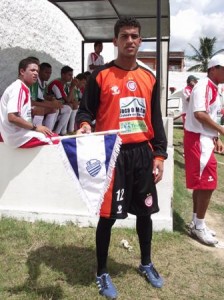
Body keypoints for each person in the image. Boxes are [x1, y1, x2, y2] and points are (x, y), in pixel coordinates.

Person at [76, 17, 168, 299]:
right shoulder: (100, 76)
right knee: (108, 217)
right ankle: (101, 272)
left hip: (141, 152)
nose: (130, 40)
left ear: (140, 41)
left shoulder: (149, 77)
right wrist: (84, 124)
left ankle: (146, 263)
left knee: (146, 213)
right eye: (125, 36)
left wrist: (160, 154)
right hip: (112, 153)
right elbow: (85, 111)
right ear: (115, 41)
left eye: (135, 36)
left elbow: (155, 119)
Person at [184, 54, 224, 245]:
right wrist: (221, 129)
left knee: (203, 183)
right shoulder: (203, 86)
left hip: (204, 138)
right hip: (198, 139)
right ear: (213, 69)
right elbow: (199, 113)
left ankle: (196, 222)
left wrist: (215, 136)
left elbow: (210, 114)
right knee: (208, 183)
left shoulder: (214, 87)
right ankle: (199, 226)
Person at [0, 57, 56, 148]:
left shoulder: (23, 87)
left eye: (37, 71)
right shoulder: (18, 88)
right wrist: (36, 127)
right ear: (22, 71)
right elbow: (12, 117)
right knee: (56, 141)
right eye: (32, 70)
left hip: (20, 133)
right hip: (17, 137)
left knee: (54, 137)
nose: (36, 73)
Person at [30, 62, 63, 131]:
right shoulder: (34, 82)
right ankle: (37, 134)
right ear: (40, 71)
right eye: (46, 72)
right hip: (26, 106)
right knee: (41, 109)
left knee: (54, 109)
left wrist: (52, 99)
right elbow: (33, 101)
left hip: (34, 104)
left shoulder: (43, 83)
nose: (49, 75)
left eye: (50, 73)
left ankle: (49, 132)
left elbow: (43, 96)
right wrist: (51, 104)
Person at [47, 66, 78, 134]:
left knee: (71, 106)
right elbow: (67, 100)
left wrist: (72, 87)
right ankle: (58, 132)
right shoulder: (57, 82)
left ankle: (63, 131)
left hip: (58, 106)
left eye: (72, 75)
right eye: (69, 75)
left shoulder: (66, 84)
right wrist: (72, 87)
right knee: (68, 107)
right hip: (51, 106)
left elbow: (71, 99)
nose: (71, 77)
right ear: (63, 74)